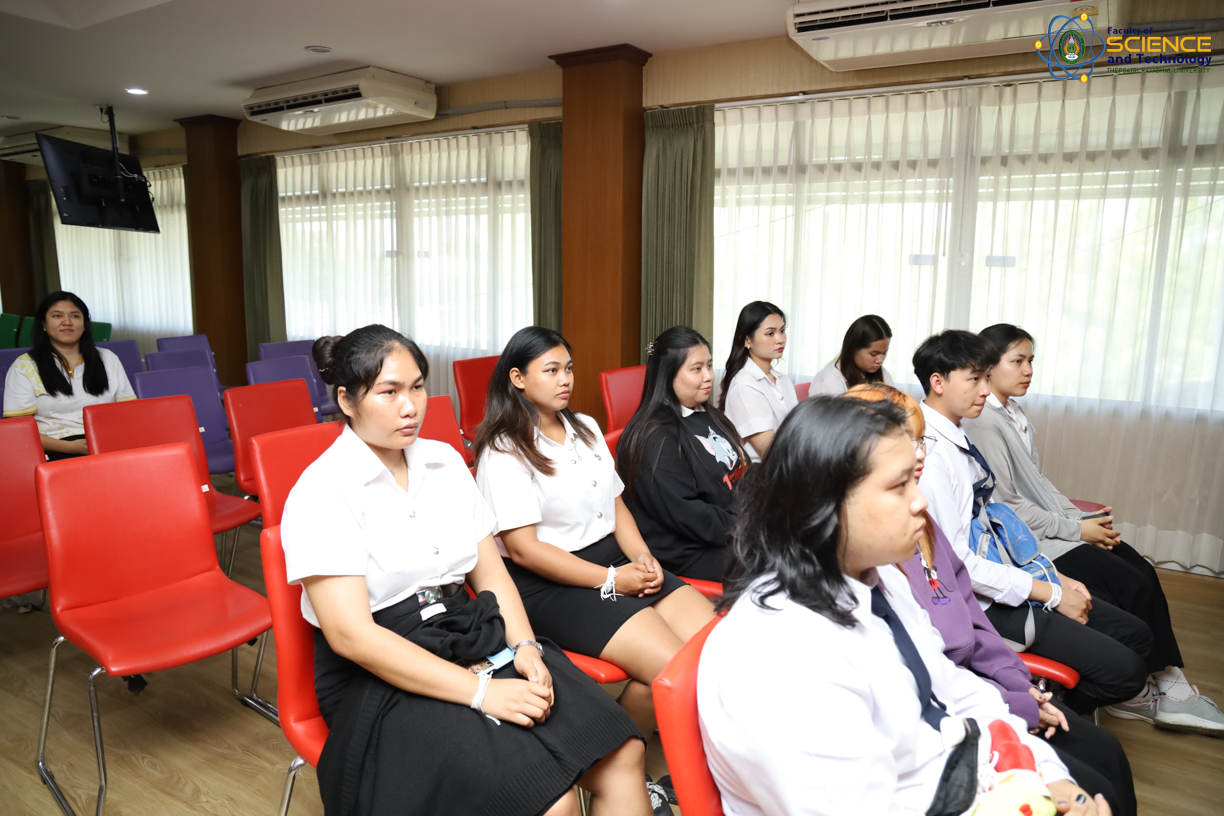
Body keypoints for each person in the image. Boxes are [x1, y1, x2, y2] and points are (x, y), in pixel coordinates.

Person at [280, 325, 651, 816]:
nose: (410, 407)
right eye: (389, 392)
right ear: (347, 400)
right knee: (549, 799)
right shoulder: (322, 490)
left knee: (624, 752)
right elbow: (352, 637)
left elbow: (491, 576)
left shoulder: (444, 462)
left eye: (417, 387)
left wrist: (526, 647)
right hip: (378, 667)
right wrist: (482, 693)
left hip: (466, 632)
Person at [698, 396, 1109, 816]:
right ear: (823, 503)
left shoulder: (880, 579)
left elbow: (952, 688)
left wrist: (1047, 775)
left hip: (958, 772)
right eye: (899, 487)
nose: (921, 502)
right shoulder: (779, 656)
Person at [845, 382, 1137, 816]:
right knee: (1096, 781)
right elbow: (930, 703)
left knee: (1107, 757)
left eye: (921, 442)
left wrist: (1021, 692)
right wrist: (1018, 716)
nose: (920, 461)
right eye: (900, 473)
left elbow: (961, 644)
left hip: (977, 700)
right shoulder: (873, 572)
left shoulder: (911, 537)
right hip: (955, 734)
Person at [473, 326, 716, 807]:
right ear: (518, 378)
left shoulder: (583, 426)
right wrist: (611, 579)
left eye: (568, 368)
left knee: (714, 652)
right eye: (551, 370)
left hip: (613, 559)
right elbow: (524, 550)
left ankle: (631, 765)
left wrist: (642, 556)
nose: (565, 379)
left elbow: (616, 504)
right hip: (550, 581)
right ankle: (635, 775)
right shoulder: (503, 449)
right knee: (677, 669)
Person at [965, 323, 1223, 737]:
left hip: (1048, 529)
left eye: (1031, 360)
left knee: (1140, 570)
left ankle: (1164, 679)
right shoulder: (984, 422)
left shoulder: (1014, 413)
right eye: (1018, 361)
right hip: (1031, 541)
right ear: (989, 367)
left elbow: (1039, 482)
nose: (1028, 370)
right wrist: (1075, 529)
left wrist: (1082, 522)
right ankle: (1158, 689)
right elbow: (1007, 506)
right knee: (1131, 582)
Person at [913, 330, 1152, 714]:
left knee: (1137, 634)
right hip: (982, 602)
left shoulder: (957, 431)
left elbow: (994, 527)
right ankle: (1047, 716)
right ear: (938, 382)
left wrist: (1053, 576)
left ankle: (1055, 706)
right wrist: (1049, 593)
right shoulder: (932, 456)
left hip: (1004, 572)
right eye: (974, 379)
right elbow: (959, 566)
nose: (985, 390)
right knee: (1126, 671)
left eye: (986, 378)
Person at [616, 326, 749, 582]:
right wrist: (752, 527)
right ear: (667, 375)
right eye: (696, 369)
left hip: (730, 526)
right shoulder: (656, 439)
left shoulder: (707, 413)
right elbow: (691, 517)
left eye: (709, 365)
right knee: (791, 558)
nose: (709, 376)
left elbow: (741, 469)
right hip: (693, 549)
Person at [3, 291, 134, 460]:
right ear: (43, 325)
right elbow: (17, 430)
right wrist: (71, 447)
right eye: (57, 316)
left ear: (84, 324)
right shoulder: (24, 366)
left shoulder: (108, 358)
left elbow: (129, 412)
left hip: (106, 443)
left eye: (75, 316)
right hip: (55, 448)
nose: (67, 322)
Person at [717, 301, 796, 462]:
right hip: (765, 471)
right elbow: (771, 453)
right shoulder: (744, 385)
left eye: (782, 331)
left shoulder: (784, 381)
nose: (780, 339)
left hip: (792, 464)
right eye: (770, 333)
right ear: (747, 340)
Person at [809, 314, 896, 396]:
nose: (880, 360)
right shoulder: (830, 380)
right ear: (853, 349)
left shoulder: (882, 373)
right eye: (873, 354)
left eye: (884, 353)